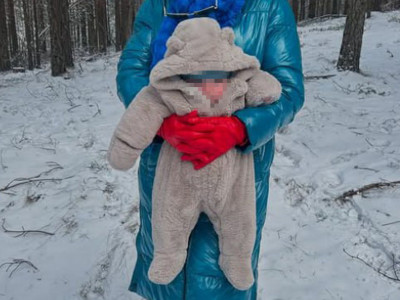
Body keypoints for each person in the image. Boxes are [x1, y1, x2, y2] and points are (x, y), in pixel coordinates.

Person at [115, 0, 304, 299]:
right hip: (165, 168)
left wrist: (239, 128)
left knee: (225, 272)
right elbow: (131, 69)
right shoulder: (158, 4)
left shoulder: (268, 5)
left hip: (236, 174)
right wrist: (163, 123)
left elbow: (288, 89)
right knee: (166, 268)